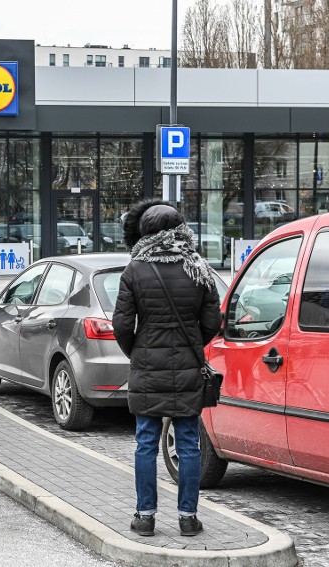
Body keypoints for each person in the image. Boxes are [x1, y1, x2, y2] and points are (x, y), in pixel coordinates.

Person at [111, 199, 221, 538]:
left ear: (145, 233)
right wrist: (192, 345)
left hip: (146, 365)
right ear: (180, 231)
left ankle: (145, 517)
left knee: (146, 442)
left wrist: (137, 352)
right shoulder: (198, 268)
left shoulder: (135, 270)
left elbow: (121, 324)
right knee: (188, 442)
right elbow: (212, 322)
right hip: (188, 365)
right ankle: (188, 518)